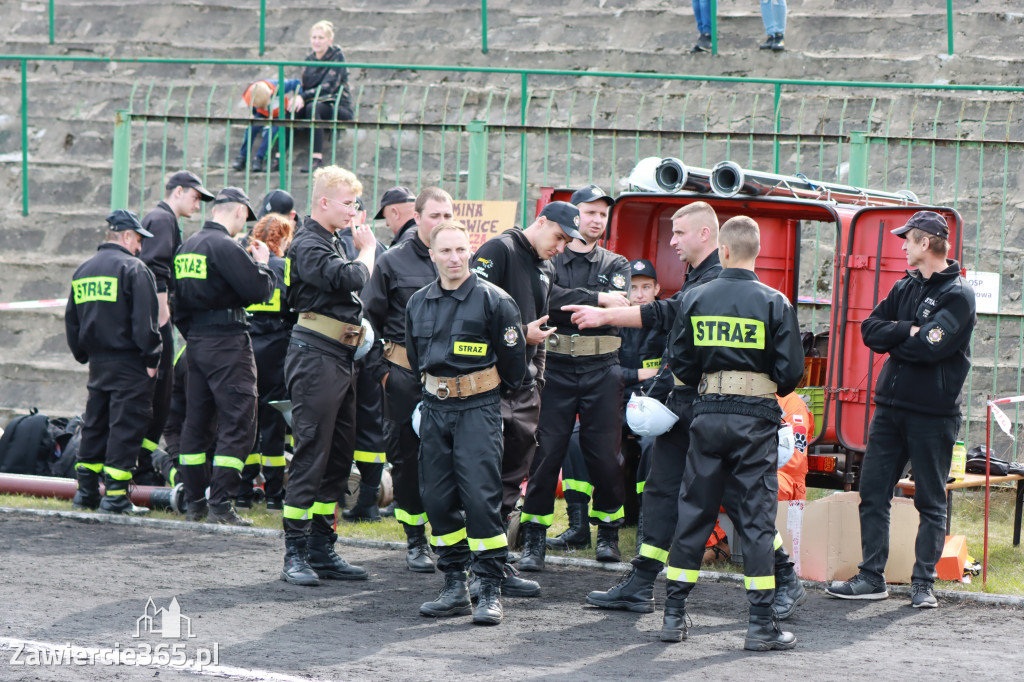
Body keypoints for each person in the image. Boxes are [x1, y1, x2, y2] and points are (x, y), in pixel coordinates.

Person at [573, 203, 805, 626]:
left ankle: (784, 577)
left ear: (706, 236)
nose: (672, 242)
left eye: (678, 233)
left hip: (710, 410)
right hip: (691, 408)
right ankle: (643, 583)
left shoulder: (717, 281)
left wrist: (608, 315)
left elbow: (669, 318)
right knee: (662, 490)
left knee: (735, 499)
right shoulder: (703, 278)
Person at [659, 216, 804, 649]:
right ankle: (761, 624)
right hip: (755, 418)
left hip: (706, 414)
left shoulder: (695, 297)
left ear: (722, 250)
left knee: (694, 513)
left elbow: (680, 364)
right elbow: (791, 374)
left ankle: (672, 616)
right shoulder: (775, 302)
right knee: (756, 521)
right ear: (756, 252)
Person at [826, 210, 976, 609]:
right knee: (872, 492)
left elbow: (931, 346)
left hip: (933, 416)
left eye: (907, 240)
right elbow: (868, 329)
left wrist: (902, 336)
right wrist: (907, 331)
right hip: (890, 410)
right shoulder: (904, 287)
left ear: (925, 243)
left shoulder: (959, 295)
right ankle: (871, 577)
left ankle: (923, 584)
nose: (903, 246)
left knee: (930, 500)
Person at [407, 221, 529, 625]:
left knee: (480, 499)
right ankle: (454, 586)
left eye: (461, 250)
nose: (455, 258)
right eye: (446, 251)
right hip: (434, 409)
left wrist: (484, 398)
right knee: (438, 500)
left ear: (471, 252)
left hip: (479, 408)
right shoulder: (418, 303)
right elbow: (414, 358)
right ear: (433, 255)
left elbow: (515, 368)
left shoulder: (496, 301)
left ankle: (490, 588)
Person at [518, 185, 632, 571]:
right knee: (545, 453)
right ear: (574, 215)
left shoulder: (617, 264)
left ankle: (609, 534)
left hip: (603, 369)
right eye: (590, 212)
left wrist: (576, 301)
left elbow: (619, 308)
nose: (597, 220)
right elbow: (548, 301)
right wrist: (596, 299)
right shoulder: (551, 258)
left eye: (603, 214)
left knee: (605, 456)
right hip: (557, 369)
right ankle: (533, 539)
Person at [468, 201, 578, 593]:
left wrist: (539, 380)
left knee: (511, 481)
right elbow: (468, 313)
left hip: (525, 387)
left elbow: (542, 329)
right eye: (559, 236)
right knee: (483, 477)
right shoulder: (500, 250)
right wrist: (517, 334)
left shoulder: (544, 266)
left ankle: (493, 562)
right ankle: (476, 565)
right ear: (541, 221)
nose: (561, 247)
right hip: (489, 385)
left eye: (568, 242)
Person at [280, 165, 376, 586]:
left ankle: (322, 547)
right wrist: (368, 250)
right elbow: (348, 277)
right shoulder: (308, 241)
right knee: (312, 452)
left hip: (340, 354)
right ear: (323, 202)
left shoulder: (331, 239)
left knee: (338, 455)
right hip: (316, 354)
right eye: (348, 203)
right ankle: (295, 552)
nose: (354, 210)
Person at [363, 187, 454, 572]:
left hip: (452, 379)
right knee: (407, 461)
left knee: (450, 459)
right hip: (402, 377)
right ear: (417, 218)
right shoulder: (392, 263)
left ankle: (446, 536)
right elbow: (365, 320)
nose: (442, 223)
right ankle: (416, 539)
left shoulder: (458, 258)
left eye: (448, 215)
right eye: (435, 216)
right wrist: (382, 374)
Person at [553, 258, 671, 552]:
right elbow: (604, 368)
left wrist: (639, 379)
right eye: (634, 288)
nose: (640, 294)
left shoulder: (668, 322)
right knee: (575, 440)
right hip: (614, 400)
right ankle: (578, 527)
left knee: (652, 446)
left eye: (646, 287)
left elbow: (671, 372)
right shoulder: (612, 322)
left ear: (658, 289)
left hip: (652, 405)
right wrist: (638, 374)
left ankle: (646, 527)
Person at [173, 187, 275, 526]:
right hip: (228, 343)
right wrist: (264, 264)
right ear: (240, 212)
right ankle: (221, 504)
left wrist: (197, 335)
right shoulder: (225, 246)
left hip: (196, 344)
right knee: (238, 421)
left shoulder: (187, 246)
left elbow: (176, 306)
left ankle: (194, 504)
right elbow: (258, 291)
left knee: (196, 424)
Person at [65, 210, 161, 514]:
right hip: (130, 363)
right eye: (138, 241)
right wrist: (152, 357)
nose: (140, 248)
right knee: (125, 425)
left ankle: (86, 492)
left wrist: (84, 355)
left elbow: (72, 322)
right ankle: (117, 495)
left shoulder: (83, 270)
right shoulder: (134, 269)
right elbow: (145, 323)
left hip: (98, 363)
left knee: (94, 424)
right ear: (128, 236)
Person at [137, 171, 214, 486]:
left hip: (154, 319)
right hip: (158, 320)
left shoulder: (161, 218)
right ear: (178, 191)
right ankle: (140, 466)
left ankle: (141, 464)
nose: (198, 205)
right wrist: (163, 314)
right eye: (195, 197)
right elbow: (156, 268)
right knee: (159, 394)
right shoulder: (163, 219)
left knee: (160, 396)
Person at [335, 196, 389, 523]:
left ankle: (355, 498)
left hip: (341, 350)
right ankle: (365, 499)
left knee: (340, 423)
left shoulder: (325, 244)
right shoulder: (379, 249)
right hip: (365, 348)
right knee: (369, 423)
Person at [239, 213, 296, 511]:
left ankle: (242, 492)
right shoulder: (284, 268)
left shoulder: (245, 263)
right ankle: (274, 494)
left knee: (246, 421)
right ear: (282, 238)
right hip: (277, 351)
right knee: (274, 425)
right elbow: (294, 307)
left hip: (245, 347)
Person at [292, 20, 354, 173]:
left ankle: (317, 158)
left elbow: (328, 87)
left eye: (321, 38)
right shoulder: (309, 60)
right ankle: (277, 158)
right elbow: (305, 84)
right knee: (290, 107)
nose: (317, 41)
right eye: (314, 37)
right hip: (314, 101)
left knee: (314, 108)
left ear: (329, 40)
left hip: (337, 105)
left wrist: (303, 96)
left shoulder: (337, 57)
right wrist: (298, 98)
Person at [231, 78, 302, 173]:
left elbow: (296, 83)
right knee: (252, 127)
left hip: (278, 113)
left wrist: (298, 95)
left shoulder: (279, 86)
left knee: (273, 131)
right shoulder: (248, 94)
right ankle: (242, 156)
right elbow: (252, 108)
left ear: (271, 92)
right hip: (261, 112)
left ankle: (259, 158)